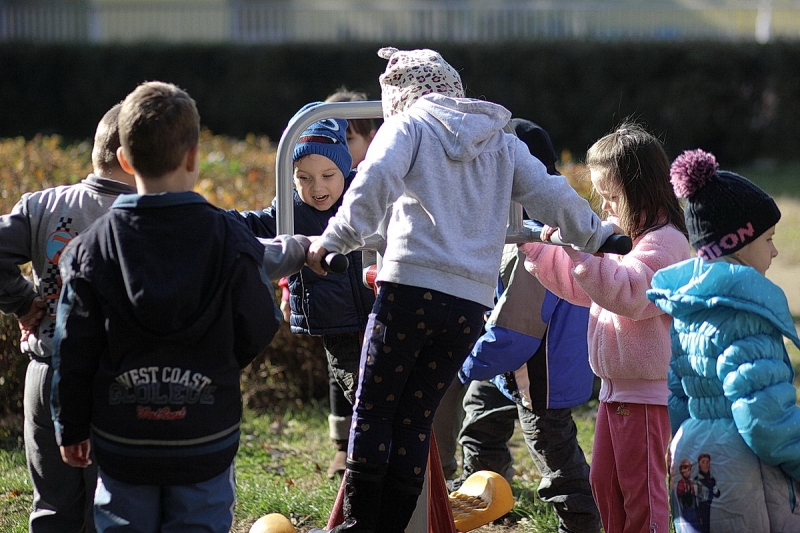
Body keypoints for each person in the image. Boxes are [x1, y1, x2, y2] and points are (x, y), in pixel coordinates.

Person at [305, 46, 616, 533]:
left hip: (410, 290)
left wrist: (335, 240)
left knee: (374, 411)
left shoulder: (408, 126)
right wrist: (596, 234)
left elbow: (374, 180)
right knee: (413, 419)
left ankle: (361, 524)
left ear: (399, 98)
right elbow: (549, 191)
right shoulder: (501, 140)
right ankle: (395, 521)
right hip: (469, 306)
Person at [49, 81, 308, 533]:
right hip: (204, 435)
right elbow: (259, 322)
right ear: (193, 157)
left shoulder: (90, 249)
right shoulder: (230, 239)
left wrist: (71, 427)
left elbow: (72, 348)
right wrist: (218, 362)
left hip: (123, 440)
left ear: (126, 161)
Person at [520, 122, 691, 533]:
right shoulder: (625, 235)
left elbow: (628, 294)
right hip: (615, 390)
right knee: (605, 486)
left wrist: (583, 249)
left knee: (641, 492)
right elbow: (585, 286)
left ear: (642, 189)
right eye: (602, 198)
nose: (606, 208)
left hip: (648, 396)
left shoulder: (665, 244)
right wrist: (537, 246)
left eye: (613, 198)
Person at [453, 118, 601, 533]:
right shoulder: (553, 220)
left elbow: (515, 333)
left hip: (539, 374)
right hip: (518, 366)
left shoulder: (531, 242)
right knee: (480, 419)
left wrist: (464, 361)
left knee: (555, 456)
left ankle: (582, 522)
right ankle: (482, 494)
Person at [647, 149, 800, 532]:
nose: (775, 250)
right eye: (768, 239)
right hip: (743, 469)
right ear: (738, 242)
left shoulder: (690, 308)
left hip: (692, 454)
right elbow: (763, 416)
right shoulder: (746, 315)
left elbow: (677, 396)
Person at [0, 103, 136, 533]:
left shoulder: (44, 205)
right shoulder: (146, 217)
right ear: (134, 159)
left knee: (53, 505)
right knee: (110, 510)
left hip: (45, 373)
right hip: (112, 381)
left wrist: (22, 302)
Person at [231, 103, 376, 479]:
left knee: (389, 390)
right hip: (337, 323)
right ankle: (365, 461)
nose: (318, 187)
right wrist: (207, 218)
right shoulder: (291, 211)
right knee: (361, 393)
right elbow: (252, 223)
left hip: (382, 308)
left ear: (345, 168)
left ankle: (384, 462)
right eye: (304, 177)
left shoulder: (365, 195)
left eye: (328, 175)